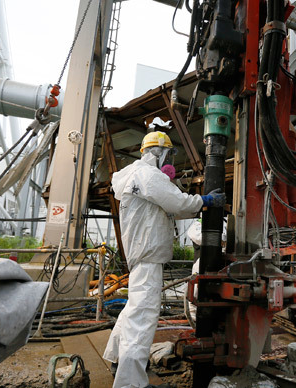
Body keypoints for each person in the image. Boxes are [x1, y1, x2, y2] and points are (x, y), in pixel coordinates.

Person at [103, 131, 225, 388]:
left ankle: (115, 356)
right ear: (159, 153)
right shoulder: (148, 176)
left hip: (142, 256)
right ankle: (130, 383)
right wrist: (204, 200)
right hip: (148, 257)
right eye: (169, 154)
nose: (170, 161)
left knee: (133, 310)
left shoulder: (137, 177)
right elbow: (177, 203)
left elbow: (170, 210)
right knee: (143, 317)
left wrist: (192, 202)